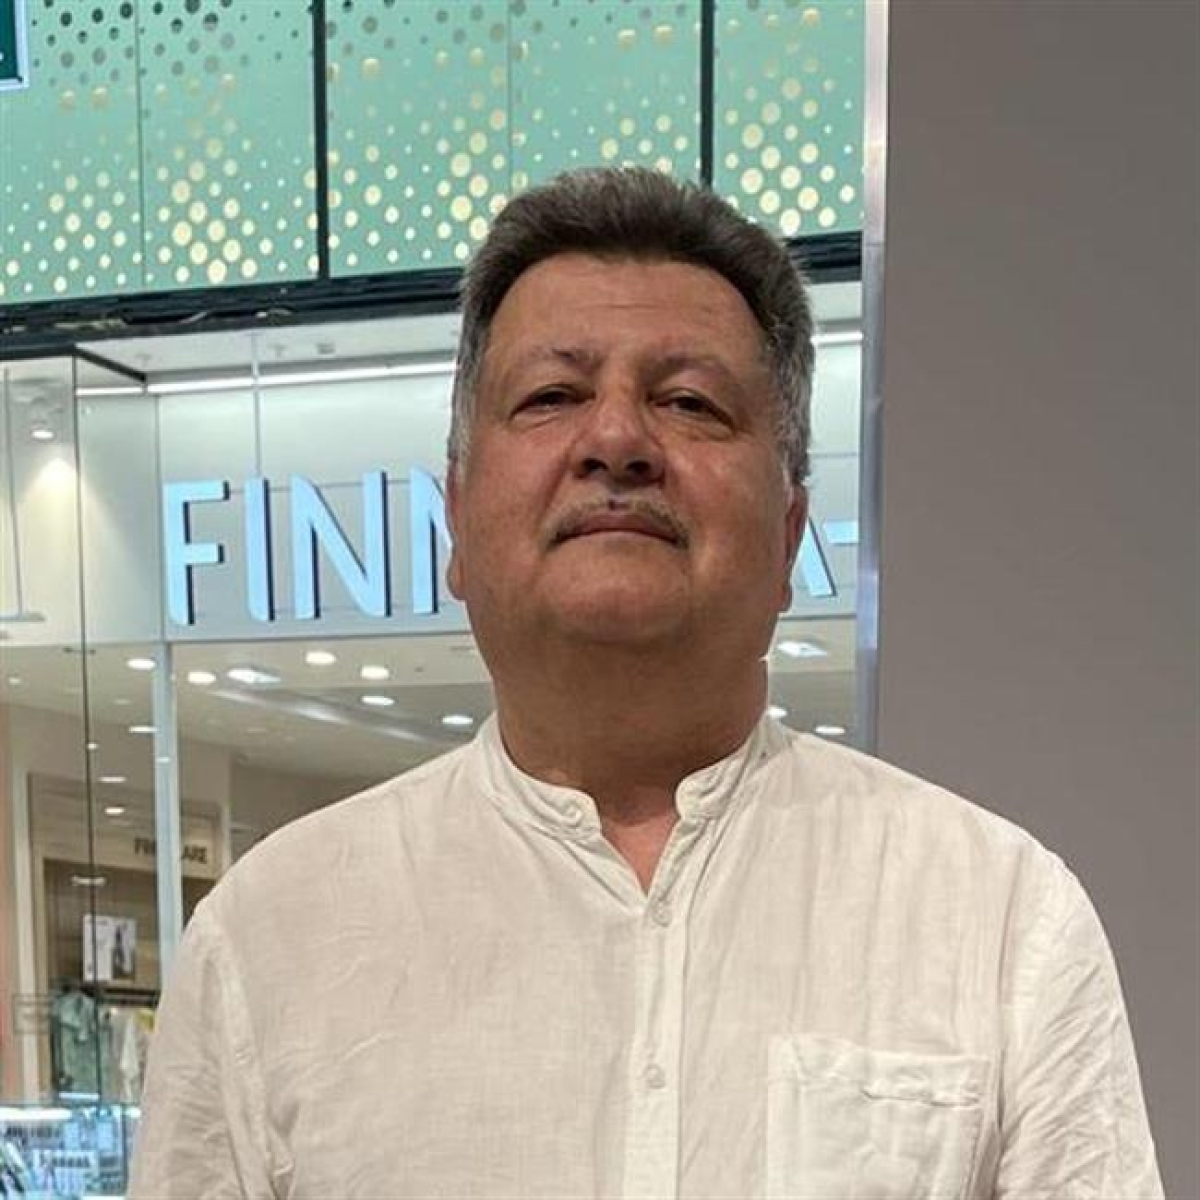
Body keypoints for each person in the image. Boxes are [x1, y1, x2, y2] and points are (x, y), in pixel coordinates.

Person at [129, 167, 1163, 1199]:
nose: (617, 440)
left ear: (790, 533)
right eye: (551, 396)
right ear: (458, 517)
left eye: (689, 402)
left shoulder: (997, 919)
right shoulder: (270, 939)